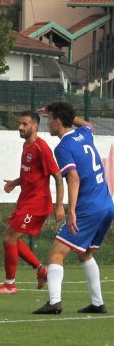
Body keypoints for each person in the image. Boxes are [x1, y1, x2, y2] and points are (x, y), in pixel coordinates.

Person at [33, 101, 114, 314]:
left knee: (56, 254)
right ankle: (98, 304)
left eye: (49, 119)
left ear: (58, 122)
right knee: (84, 252)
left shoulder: (63, 147)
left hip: (89, 208)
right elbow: (87, 124)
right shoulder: (84, 135)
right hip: (107, 204)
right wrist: (62, 112)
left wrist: (71, 212)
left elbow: (74, 178)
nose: (47, 123)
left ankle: (54, 302)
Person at [0, 111, 64, 294]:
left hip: (37, 204)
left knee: (9, 237)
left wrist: (60, 204)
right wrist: (14, 183)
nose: (20, 127)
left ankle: (10, 285)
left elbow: (57, 176)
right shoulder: (26, 146)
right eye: (19, 123)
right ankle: (41, 271)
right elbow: (28, 174)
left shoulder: (41, 148)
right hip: (25, 201)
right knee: (10, 237)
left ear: (35, 126)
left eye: (24, 124)